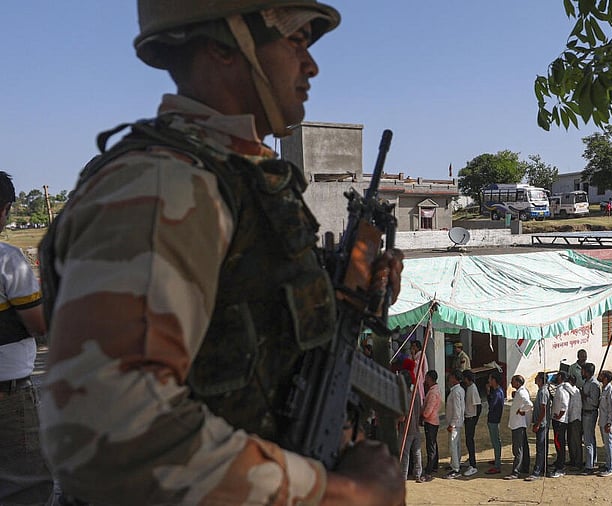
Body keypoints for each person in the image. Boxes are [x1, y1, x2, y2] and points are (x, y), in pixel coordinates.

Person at [38, 2, 407, 505]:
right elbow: (111, 435)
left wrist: (347, 290)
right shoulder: (167, 185)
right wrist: (336, 493)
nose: (311, 65)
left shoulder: (239, 180)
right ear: (224, 45)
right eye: (294, 41)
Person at [0, 172, 54, 504]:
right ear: (3, 209)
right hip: (7, 397)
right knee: (25, 486)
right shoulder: (7, 259)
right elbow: (40, 324)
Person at [398, 370, 423, 484]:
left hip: (406, 429)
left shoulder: (403, 397)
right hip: (416, 427)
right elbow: (420, 410)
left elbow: (402, 417)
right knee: (417, 453)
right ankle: (418, 474)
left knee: (405, 454)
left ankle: (403, 477)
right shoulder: (416, 394)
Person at [506, 375, 532, 480]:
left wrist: (522, 410)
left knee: (518, 449)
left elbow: (529, 404)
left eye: (513, 381)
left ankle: (516, 471)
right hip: (519, 424)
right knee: (523, 447)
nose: (511, 383)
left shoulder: (521, 393)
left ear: (517, 383)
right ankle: (525, 467)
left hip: (518, 424)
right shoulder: (521, 392)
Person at [526, 372, 551, 482]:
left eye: (537, 378)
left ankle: (537, 471)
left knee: (540, 448)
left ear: (541, 380)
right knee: (542, 447)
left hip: (542, 424)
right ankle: (543, 468)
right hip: (542, 423)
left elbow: (543, 409)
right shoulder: (541, 391)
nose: (535, 379)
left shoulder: (543, 392)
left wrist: (537, 423)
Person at [420, 370, 442, 481]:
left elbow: (429, 408)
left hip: (430, 420)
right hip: (433, 420)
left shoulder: (433, 392)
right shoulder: (435, 390)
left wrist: (423, 415)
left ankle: (429, 470)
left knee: (431, 446)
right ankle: (434, 466)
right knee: (433, 444)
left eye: (427, 378)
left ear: (430, 378)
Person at [580, 363, 601, 474]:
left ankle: (589, 466)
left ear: (587, 372)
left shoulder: (594, 384)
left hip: (590, 413)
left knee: (588, 439)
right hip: (586, 412)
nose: (581, 373)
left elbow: (594, 402)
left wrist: (584, 396)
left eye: (583, 371)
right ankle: (592, 460)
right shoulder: (587, 382)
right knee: (589, 438)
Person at [445, 370, 466, 479]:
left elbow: (457, 410)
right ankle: (455, 463)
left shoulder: (456, 392)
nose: (449, 379)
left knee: (453, 445)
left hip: (455, 423)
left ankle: (456, 469)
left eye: (451, 377)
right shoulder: (458, 390)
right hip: (457, 422)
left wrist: (452, 424)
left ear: (455, 379)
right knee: (456, 445)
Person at [549, 372, 570, 478]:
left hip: (560, 421)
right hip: (558, 420)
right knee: (558, 444)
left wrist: (559, 416)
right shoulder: (560, 388)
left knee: (559, 444)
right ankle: (558, 462)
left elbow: (565, 405)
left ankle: (560, 468)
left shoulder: (562, 390)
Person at [597, 370, 612, 477]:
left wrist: (610, 423)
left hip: (607, 423)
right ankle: (607, 463)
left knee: (609, 444)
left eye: (601, 375)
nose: (599, 376)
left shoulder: (610, 390)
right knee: (606, 444)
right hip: (602, 421)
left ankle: (611, 467)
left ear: (605, 378)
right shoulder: (603, 389)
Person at [462, 369, 482, 476]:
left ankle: (473, 465)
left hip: (471, 418)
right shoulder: (469, 388)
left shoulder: (473, 389)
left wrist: (474, 421)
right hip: (468, 417)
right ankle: (470, 459)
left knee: (470, 441)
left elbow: (479, 406)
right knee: (468, 440)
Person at [485, 371, 505, 474]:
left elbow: (491, 405)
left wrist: (488, 393)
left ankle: (497, 464)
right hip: (495, 418)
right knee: (496, 440)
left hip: (494, 419)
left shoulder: (497, 393)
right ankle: (497, 460)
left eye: (490, 379)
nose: (489, 381)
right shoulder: (499, 391)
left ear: (494, 380)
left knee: (495, 441)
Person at [564, 374, 583, 471]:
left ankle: (578, 462)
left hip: (576, 418)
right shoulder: (572, 390)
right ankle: (573, 460)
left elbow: (566, 385)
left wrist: (563, 381)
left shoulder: (575, 390)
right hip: (571, 418)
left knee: (576, 441)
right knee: (571, 441)